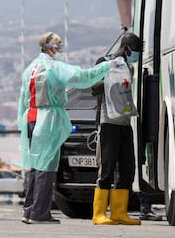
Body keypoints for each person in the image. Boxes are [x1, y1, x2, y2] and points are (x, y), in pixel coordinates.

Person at [17, 32, 117, 224]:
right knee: (47, 167)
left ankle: (29, 210)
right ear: (51, 48)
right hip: (48, 120)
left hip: (31, 117)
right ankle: (39, 213)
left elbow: (22, 100)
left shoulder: (30, 68)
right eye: (59, 47)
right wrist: (107, 66)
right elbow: (83, 77)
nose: (60, 50)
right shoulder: (54, 67)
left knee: (36, 167)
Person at [91, 32, 143, 225]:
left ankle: (119, 212)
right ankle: (99, 214)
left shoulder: (128, 66)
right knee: (106, 169)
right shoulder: (104, 61)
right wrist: (109, 76)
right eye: (135, 52)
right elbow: (93, 88)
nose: (136, 57)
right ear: (128, 49)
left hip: (125, 123)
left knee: (128, 169)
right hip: (108, 123)